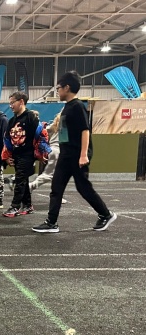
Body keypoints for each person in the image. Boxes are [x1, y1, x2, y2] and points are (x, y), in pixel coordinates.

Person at [33, 71, 116, 233]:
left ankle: (106, 214)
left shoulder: (77, 106)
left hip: (77, 156)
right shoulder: (67, 107)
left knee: (84, 188)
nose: (57, 91)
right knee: (56, 187)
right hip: (66, 155)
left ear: (67, 87)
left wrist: (83, 154)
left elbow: (85, 130)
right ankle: (51, 223)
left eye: (58, 87)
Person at [1, 91, 50, 218]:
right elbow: (7, 139)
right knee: (23, 179)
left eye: (13, 103)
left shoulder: (30, 117)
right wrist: (7, 156)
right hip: (16, 155)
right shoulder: (12, 121)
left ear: (21, 102)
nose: (10, 106)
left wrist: (42, 153)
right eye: (10, 103)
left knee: (19, 179)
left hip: (28, 155)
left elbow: (41, 135)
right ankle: (27, 205)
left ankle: (15, 206)